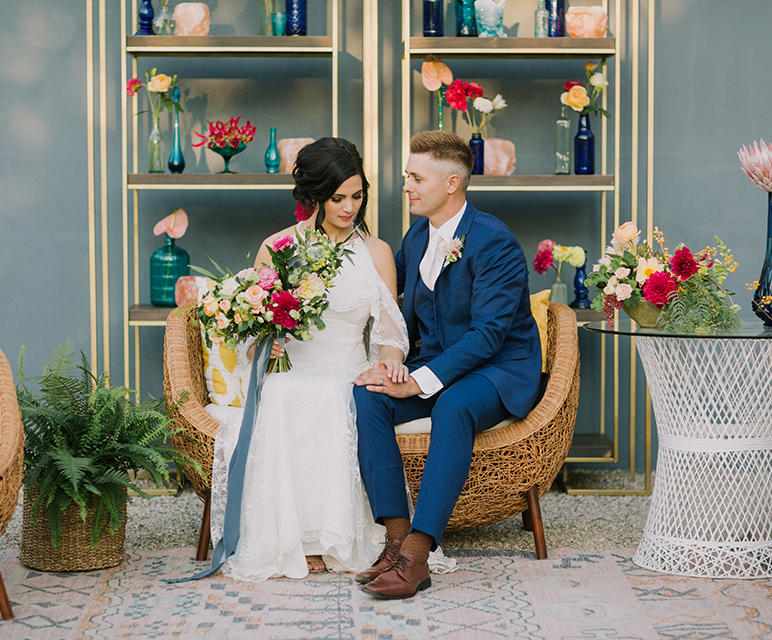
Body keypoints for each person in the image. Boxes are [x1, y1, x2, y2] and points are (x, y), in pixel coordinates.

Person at [206, 137, 411, 581]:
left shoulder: (376, 252)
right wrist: (268, 344)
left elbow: (389, 329)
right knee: (287, 392)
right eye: (338, 198)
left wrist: (391, 361)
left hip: (350, 365)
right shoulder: (278, 247)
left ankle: (334, 537)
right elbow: (251, 324)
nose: (349, 207)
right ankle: (297, 539)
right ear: (315, 195)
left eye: (357, 196)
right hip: (292, 368)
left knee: (341, 394)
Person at [353, 130, 545, 599]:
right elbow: (390, 301)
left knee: (453, 406)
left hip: (499, 368)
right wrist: (393, 364)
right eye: (406, 177)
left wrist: (417, 381)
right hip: (437, 363)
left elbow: (488, 335)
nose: (406, 186)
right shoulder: (417, 235)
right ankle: (395, 540)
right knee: (367, 393)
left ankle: (418, 556)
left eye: (416, 177)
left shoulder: (494, 241)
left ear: (453, 182)